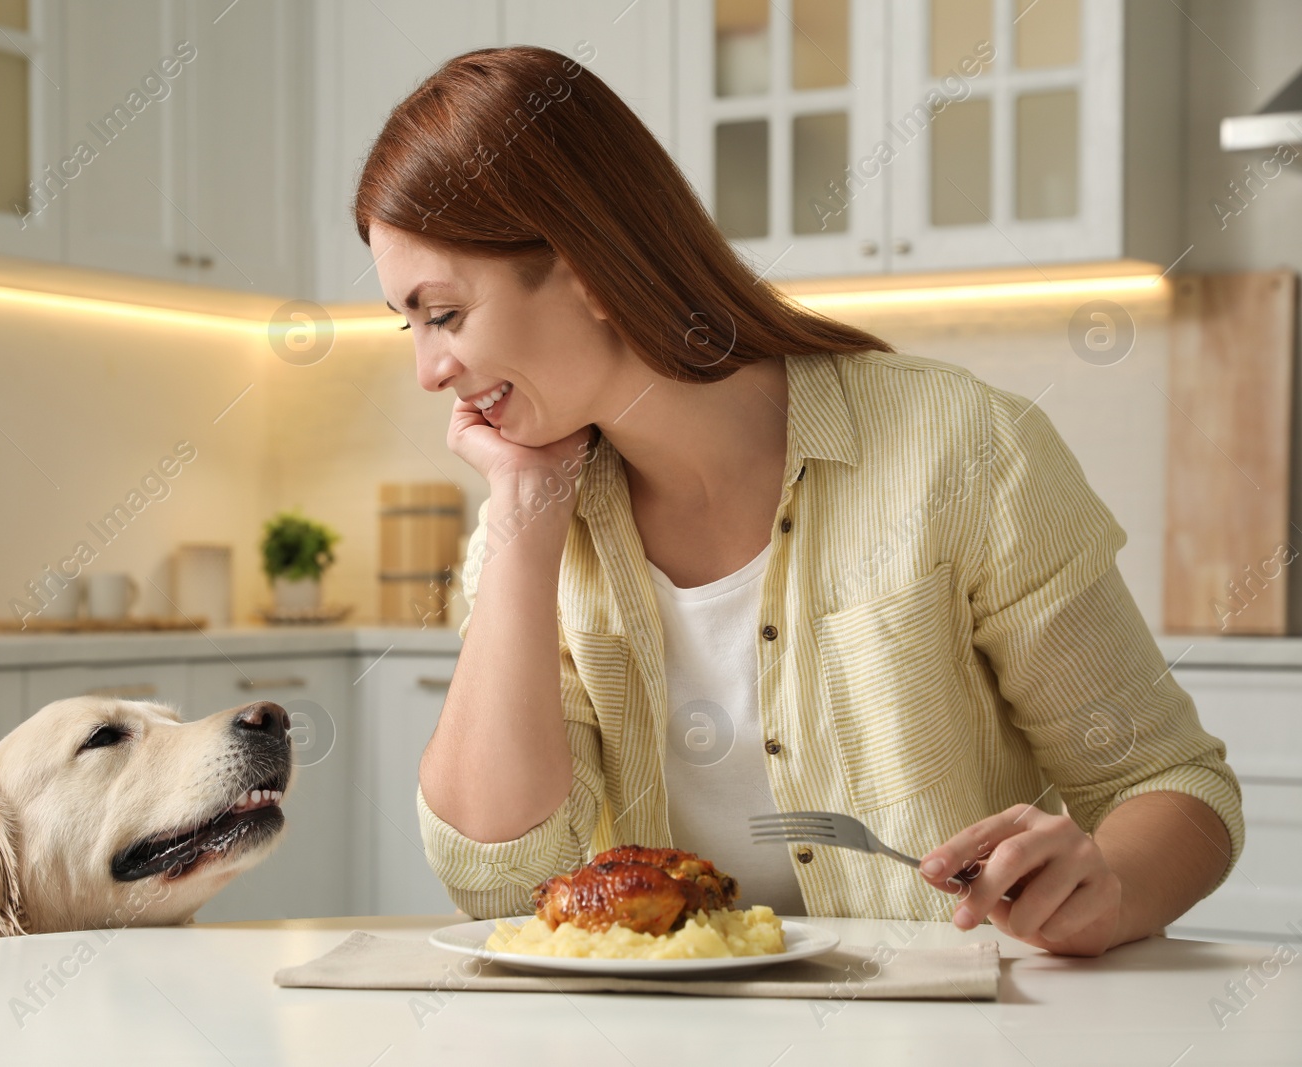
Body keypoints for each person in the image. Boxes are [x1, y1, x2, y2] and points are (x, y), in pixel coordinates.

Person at [352, 46, 1243, 957]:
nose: (429, 372)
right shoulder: (532, 523)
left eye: (444, 314)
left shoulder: (960, 449)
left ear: (583, 264)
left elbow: (1171, 782)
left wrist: (1110, 888)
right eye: (408, 324)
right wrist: (521, 517)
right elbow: (496, 879)